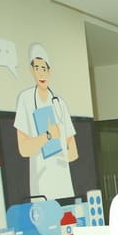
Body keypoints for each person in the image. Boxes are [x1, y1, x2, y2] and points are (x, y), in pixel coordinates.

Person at [14, 42, 79, 200]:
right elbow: (23, 149)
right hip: (41, 187)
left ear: (49, 71)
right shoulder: (25, 100)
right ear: (31, 70)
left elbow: (73, 152)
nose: (41, 73)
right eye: (37, 68)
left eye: (44, 68)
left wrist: (60, 156)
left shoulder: (59, 103)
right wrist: (47, 136)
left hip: (64, 184)